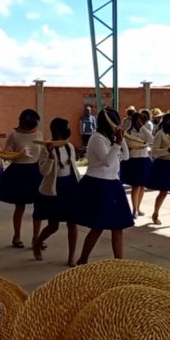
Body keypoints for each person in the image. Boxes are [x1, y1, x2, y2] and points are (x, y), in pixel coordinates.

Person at [74, 108, 134, 264]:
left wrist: (122, 139)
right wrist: (118, 142)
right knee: (98, 225)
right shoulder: (97, 138)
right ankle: (83, 259)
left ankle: (119, 262)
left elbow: (126, 157)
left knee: (118, 225)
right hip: (98, 184)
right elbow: (108, 161)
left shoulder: (111, 138)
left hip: (113, 183)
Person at [33, 118, 80, 265]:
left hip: (69, 186)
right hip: (53, 189)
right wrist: (51, 157)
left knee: (73, 223)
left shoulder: (69, 147)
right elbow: (44, 171)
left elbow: (73, 167)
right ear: (58, 130)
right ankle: (37, 242)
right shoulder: (46, 148)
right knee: (53, 225)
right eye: (65, 127)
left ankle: (71, 256)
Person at [0, 109, 42, 249]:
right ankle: (16, 236)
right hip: (19, 172)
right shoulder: (14, 135)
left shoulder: (39, 134)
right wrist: (19, 154)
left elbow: (41, 154)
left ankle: (37, 237)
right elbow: (6, 154)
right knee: (20, 206)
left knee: (39, 207)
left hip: (35, 171)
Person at [120, 112, 154, 218]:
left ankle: (138, 208)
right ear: (133, 121)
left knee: (142, 186)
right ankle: (134, 209)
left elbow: (152, 140)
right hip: (133, 161)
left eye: (141, 120)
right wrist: (141, 143)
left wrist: (142, 128)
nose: (139, 122)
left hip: (143, 160)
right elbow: (128, 144)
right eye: (137, 120)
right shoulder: (128, 132)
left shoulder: (145, 131)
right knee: (135, 186)